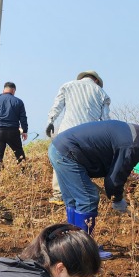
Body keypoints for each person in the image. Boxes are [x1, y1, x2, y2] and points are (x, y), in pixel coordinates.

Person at [48, 120, 139, 259]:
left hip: (59, 148)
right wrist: (117, 198)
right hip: (68, 153)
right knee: (88, 199)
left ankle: (73, 246)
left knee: (73, 201)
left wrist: (115, 194)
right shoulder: (133, 145)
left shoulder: (136, 136)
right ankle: (84, 251)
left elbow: (114, 171)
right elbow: (115, 178)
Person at [45, 71, 111, 204]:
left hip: (67, 131)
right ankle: (79, 192)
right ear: (96, 80)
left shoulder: (67, 86)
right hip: (89, 135)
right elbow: (105, 119)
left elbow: (57, 106)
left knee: (60, 158)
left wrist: (50, 121)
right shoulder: (102, 93)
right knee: (82, 162)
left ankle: (59, 194)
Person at [0, 82, 29, 171]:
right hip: (13, 131)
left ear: (4, 90)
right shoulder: (18, 101)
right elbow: (23, 118)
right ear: (13, 90)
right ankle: (24, 173)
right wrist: (24, 130)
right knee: (19, 153)